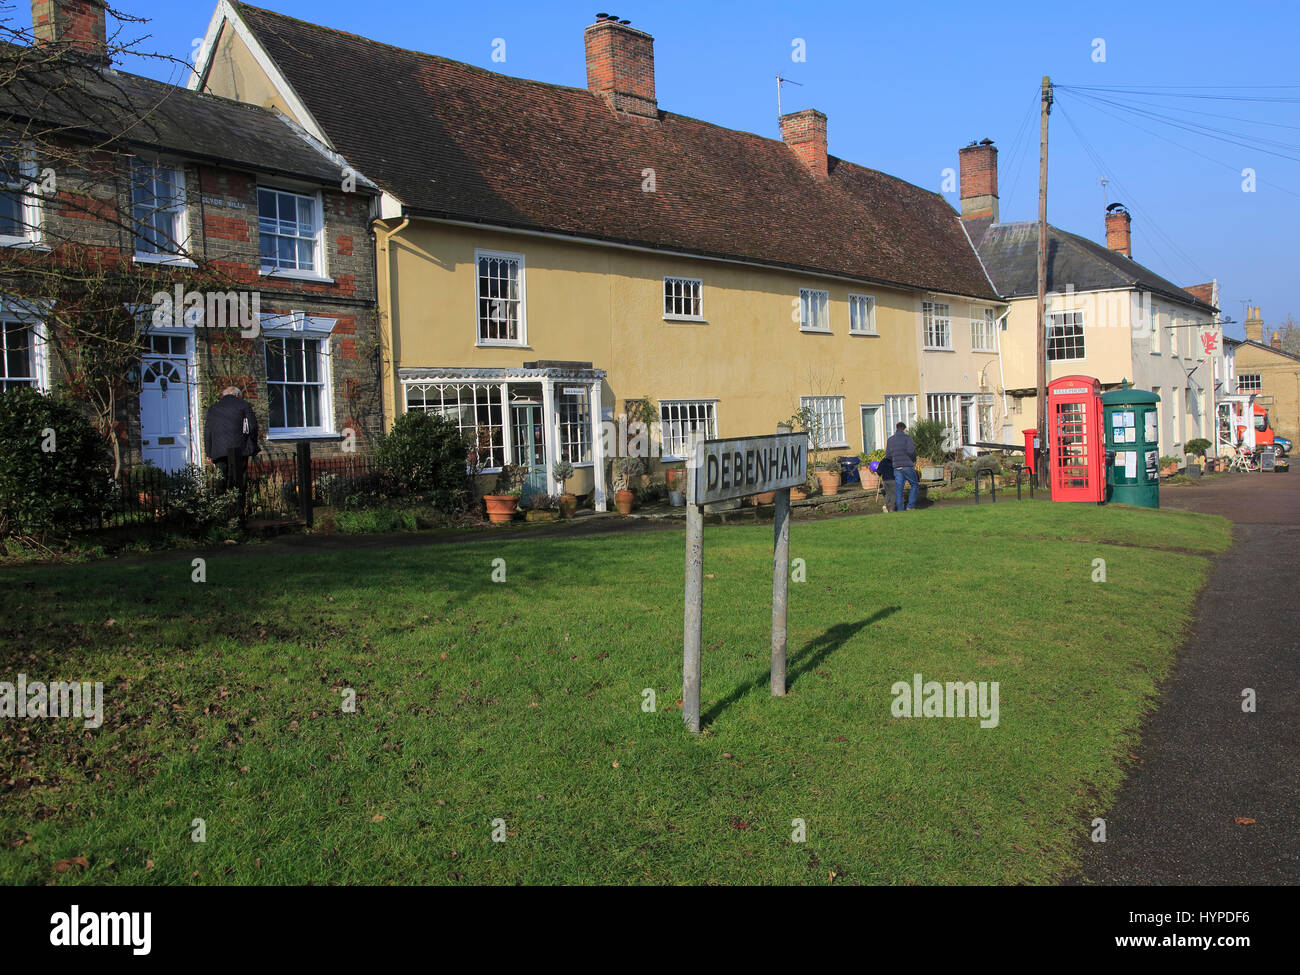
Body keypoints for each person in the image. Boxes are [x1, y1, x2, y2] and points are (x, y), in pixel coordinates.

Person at [204, 386, 260, 519]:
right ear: (237, 395)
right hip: (240, 450)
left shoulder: (214, 408)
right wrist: (252, 443)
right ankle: (238, 514)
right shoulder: (244, 405)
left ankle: (222, 515)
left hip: (219, 451)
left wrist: (209, 452)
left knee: (221, 482)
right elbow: (252, 427)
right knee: (239, 482)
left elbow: (208, 431)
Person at [886, 421, 919, 511]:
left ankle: (900, 509)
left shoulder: (890, 440)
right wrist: (913, 460)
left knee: (899, 489)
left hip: (896, 466)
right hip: (907, 465)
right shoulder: (907, 438)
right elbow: (911, 451)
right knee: (914, 484)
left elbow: (888, 455)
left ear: (896, 428)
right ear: (904, 429)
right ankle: (910, 506)